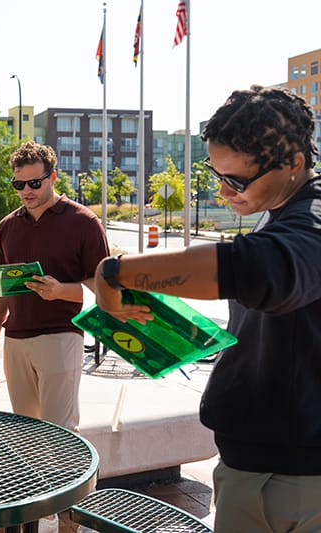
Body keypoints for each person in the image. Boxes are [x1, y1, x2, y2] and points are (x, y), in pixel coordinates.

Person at [93, 85, 321, 532]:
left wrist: (116, 272)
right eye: (217, 175)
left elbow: (261, 270)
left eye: (237, 180)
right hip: (263, 465)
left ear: (294, 163)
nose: (223, 192)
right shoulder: (283, 210)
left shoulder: (312, 218)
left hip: (291, 478)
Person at [0, 141, 108, 431]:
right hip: (15, 340)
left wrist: (61, 291)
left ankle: (71, 478)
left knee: (61, 435)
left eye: (35, 183)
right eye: (19, 184)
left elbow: (105, 286)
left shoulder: (84, 222)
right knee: (25, 435)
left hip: (61, 336)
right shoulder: (8, 226)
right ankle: (33, 479)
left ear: (53, 178)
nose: (27, 191)